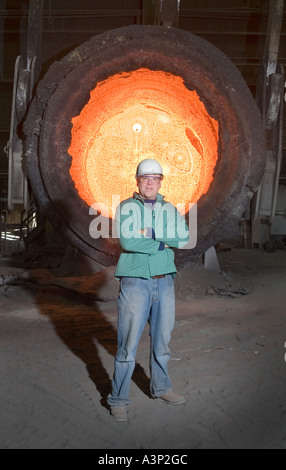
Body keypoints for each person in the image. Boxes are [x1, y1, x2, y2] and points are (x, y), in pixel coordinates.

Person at [107, 158, 189, 422]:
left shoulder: (170, 208)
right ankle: (118, 400)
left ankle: (162, 388)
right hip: (135, 282)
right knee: (127, 345)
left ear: (160, 182)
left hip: (164, 282)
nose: (151, 183)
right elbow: (129, 240)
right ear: (138, 181)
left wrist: (150, 231)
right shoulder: (126, 207)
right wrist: (163, 240)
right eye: (146, 178)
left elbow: (184, 237)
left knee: (162, 342)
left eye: (155, 178)